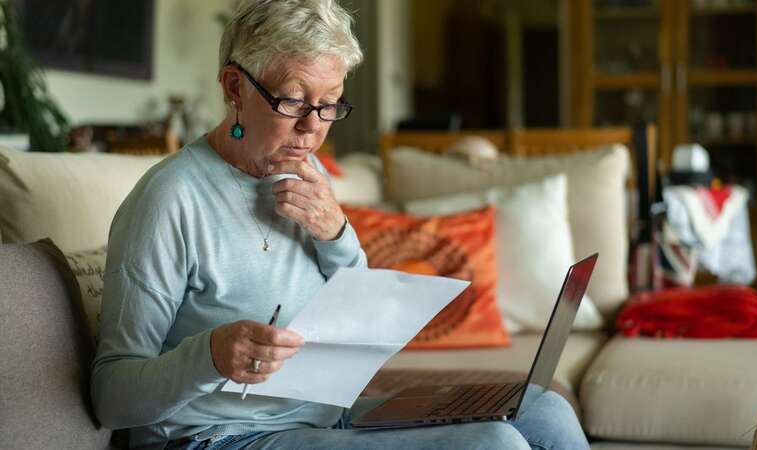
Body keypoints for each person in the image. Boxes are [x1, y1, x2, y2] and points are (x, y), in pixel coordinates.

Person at [90, 1, 590, 449]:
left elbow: (354, 306)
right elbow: (112, 397)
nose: (313, 127)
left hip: (327, 416)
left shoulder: (306, 170)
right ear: (234, 87)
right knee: (492, 444)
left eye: (329, 105)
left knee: (544, 408)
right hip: (219, 436)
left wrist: (336, 233)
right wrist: (210, 357)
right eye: (292, 101)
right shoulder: (169, 200)